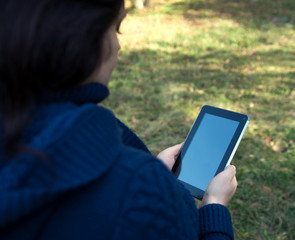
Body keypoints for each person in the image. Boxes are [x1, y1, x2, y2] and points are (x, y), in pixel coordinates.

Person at [0, 0, 238, 239]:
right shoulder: (142, 191)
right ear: (81, 40)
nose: (118, 46)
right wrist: (214, 207)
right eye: (116, 28)